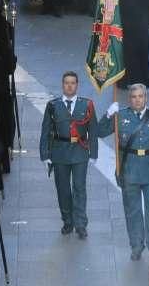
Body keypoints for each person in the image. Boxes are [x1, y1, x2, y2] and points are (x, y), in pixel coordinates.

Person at [98, 83, 149, 261]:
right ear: (129, 99)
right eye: (134, 97)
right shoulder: (120, 116)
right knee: (133, 211)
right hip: (129, 171)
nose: (137, 100)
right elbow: (100, 132)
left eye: (141, 96)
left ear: (146, 98)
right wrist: (108, 115)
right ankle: (137, 246)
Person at [39, 71, 98, 239]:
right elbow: (45, 131)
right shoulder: (53, 105)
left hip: (80, 151)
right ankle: (67, 221)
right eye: (66, 83)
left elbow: (93, 130)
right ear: (62, 85)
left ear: (77, 85)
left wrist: (93, 153)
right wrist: (45, 154)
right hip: (60, 152)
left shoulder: (87, 105)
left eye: (73, 83)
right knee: (63, 189)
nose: (70, 86)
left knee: (80, 188)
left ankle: (80, 224)